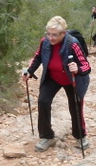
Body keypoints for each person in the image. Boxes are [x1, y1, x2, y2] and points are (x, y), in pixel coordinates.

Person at [23, 16, 92, 152]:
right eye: (48, 34)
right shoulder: (45, 42)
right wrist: (30, 71)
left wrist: (77, 69)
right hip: (52, 77)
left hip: (71, 79)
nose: (51, 38)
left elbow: (86, 65)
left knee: (75, 107)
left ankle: (80, 136)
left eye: (54, 35)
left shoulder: (73, 44)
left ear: (63, 33)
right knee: (43, 101)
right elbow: (38, 56)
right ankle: (47, 137)